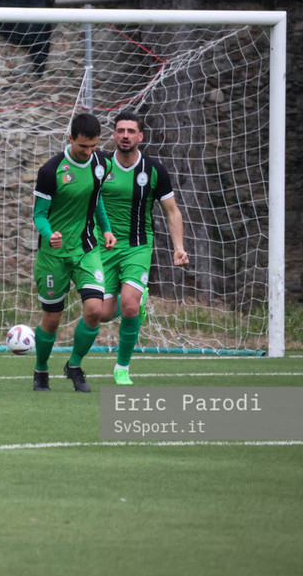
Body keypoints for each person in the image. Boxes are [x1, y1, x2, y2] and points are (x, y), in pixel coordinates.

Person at [98, 111, 188, 385]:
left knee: (129, 306)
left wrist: (178, 247)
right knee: (102, 313)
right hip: (104, 246)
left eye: (130, 131)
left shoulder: (153, 170)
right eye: (120, 131)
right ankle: (137, 296)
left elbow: (172, 211)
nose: (125, 136)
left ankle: (122, 368)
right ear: (114, 135)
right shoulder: (100, 165)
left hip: (138, 245)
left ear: (140, 136)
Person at [30, 113, 116, 393]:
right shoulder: (50, 171)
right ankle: (41, 370)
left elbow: (96, 199)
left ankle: (74, 366)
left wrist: (106, 229)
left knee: (95, 310)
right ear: (70, 138)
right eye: (83, 146)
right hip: (53, 255)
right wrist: (49, 234)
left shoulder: (102, 163)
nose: (88, 152)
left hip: (86, 249)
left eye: (93, 146)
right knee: (52, 319)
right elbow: (39, 214)